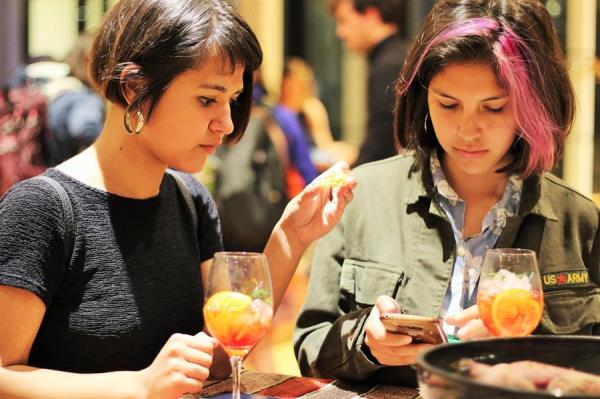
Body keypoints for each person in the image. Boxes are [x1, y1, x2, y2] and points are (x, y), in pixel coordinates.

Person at [0, 1, 356, 398]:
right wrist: (137, 386)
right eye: (208, 99)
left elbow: (220, 357)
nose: (225, 123)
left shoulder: (190, 199)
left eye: (233, 100)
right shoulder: (41, 209)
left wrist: (291, 235)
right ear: (134, 87)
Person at [295, 0, 600, 387]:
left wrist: (528, 353)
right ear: (423, 99)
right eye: (448, 104)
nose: (467, 131)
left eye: (493, 108)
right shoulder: (363, 198)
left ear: (531, 106)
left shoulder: (579, 221)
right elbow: (310, 344)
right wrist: (367, 343)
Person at [329, 0, 410, 166]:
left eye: (343, 20)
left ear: (371, 15)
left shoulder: (388, 65)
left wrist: (351, 175)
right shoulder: (401, 55)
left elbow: (383, 140)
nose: (339, 32)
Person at [46, 31, 105, 165]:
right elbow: (83, 128)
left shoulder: (54, 85)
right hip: (55, 174)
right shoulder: (84, 98)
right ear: (89, 61)